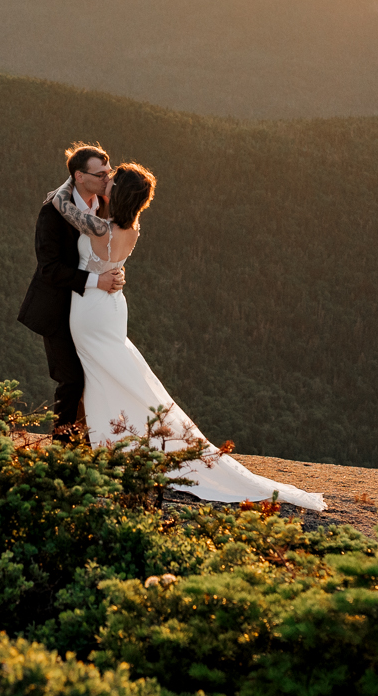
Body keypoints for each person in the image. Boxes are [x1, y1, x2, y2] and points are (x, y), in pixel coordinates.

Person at [65, 161, 326, 511]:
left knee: (102, 377)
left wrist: (66, 189)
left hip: (92, 309)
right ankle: (117, 443)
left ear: (120, 193)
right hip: (111, 306)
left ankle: (110, 445)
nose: (107, 181)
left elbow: (65, 208)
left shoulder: (101, 229)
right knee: (110, 375)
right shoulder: (131, 228)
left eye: (113, 180)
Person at [17, 143, 123, 442]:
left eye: (108, 172)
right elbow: (48, 268)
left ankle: (89, 442)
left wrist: (115, 272)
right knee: (72, 379)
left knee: (94, 375)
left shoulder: (103, 206)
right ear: (79, 176)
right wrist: (96, 280)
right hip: (57, 309)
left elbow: (108, 249)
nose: (107, 178)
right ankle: (64, 447)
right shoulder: (52, 212)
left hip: (91, 309)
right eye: (100, 173)